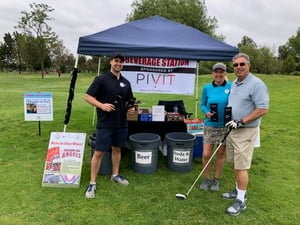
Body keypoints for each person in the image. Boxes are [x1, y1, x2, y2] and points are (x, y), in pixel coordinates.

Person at [223, 53, 269, 216]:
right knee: (235, 163)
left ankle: (241, 201)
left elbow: (262, 109)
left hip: (245, 130)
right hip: (233, 129)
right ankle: (238, 191)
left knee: (241, 166)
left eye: (242, 64)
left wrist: (241, 121)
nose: (239, 67)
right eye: (235, 65)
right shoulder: (235, 83)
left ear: (248, 65)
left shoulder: (256, 84)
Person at [84, 52, 135, 199]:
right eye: (116, 61)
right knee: (99, 152)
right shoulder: (101, 79)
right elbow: (87, 96)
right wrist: (101, 105)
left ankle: (115, 174)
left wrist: (130, 108)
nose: (119, 64)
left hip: (121, 123)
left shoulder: (126, 82)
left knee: (117, 149)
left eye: (121, 62)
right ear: (111, 62)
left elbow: (128, 101)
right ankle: (92, 183)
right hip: (105, 123)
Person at [199, 63, 231, 191]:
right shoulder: (207, 88)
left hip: (225, 125)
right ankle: (207, 178)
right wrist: (206, 112)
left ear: (225, 73)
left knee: (220, 153)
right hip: (210, 125)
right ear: (213, 73)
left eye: (221, 72)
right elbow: (202, 104)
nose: (218, 74)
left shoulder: (231, 86)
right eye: (216, 72)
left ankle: (216, 179)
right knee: (206, 154)